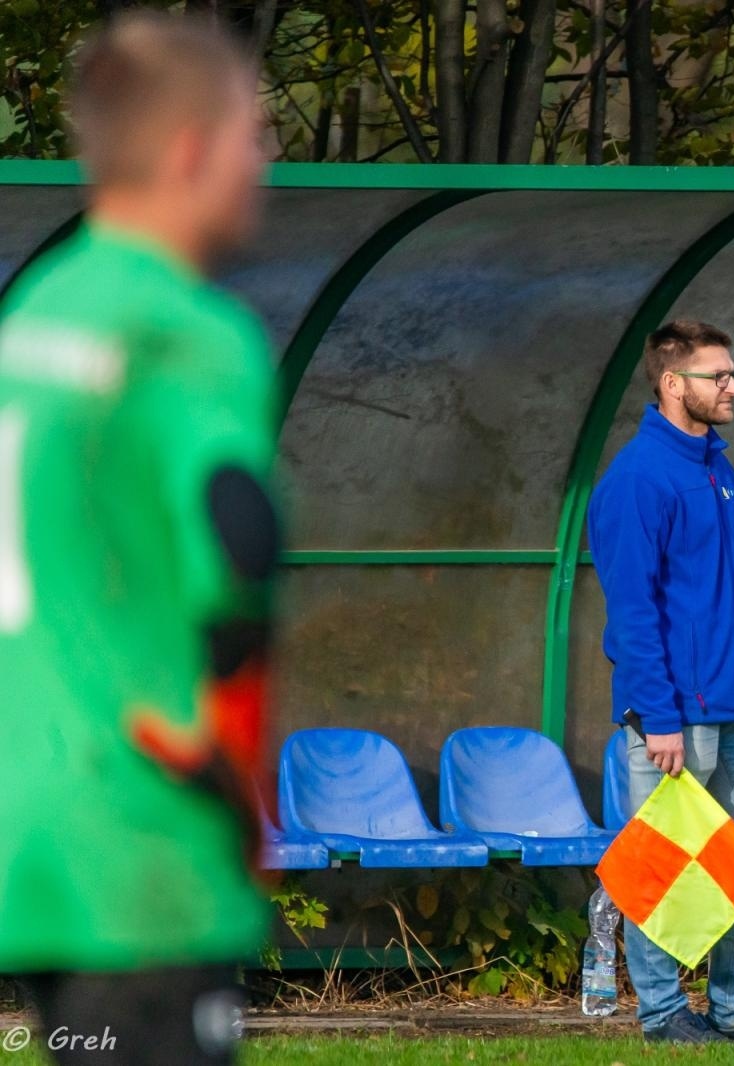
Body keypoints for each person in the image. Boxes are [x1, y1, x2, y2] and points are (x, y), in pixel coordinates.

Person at [0, 13, 279, 1065]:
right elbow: (237, 540)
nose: (267, 163)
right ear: (192, 150)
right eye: (257, 133)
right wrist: (229, 770)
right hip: (142, 827)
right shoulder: (183, 329)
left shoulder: (34, 311)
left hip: (30, 816)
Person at [587, 319, 734, 1044]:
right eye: (719, 376)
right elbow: (634, 610)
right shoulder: (638, 480)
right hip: (676, 717)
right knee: (662, 872)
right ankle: (665, 1013)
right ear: (674, 385)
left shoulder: (718, 466)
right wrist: (658, 713)